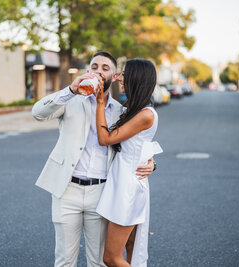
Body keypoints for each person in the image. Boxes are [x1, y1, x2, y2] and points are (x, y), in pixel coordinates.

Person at [32, 51, 155, 267]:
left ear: (114, 76)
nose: (99, 71)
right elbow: (38, 113)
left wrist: (151, 163)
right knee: (64, 261)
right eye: (94, 66)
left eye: (105, 68)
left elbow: (135, 145)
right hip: (66, 190)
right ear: (88, 71)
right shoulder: (70, 101)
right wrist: (71, 90)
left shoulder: (121, 112)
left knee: (98, 262)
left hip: (101, 193)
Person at [95, 58, 162, 267]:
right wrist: (151, 162)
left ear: (136, 78)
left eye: (124, 74)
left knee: (111, 258)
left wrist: (99, 102)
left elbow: (105, 139)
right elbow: (140, 146)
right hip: (124, 182)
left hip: (127, 189)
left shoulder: (145, 114)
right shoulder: (134, 110)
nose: (120, 78)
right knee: (132, 251)